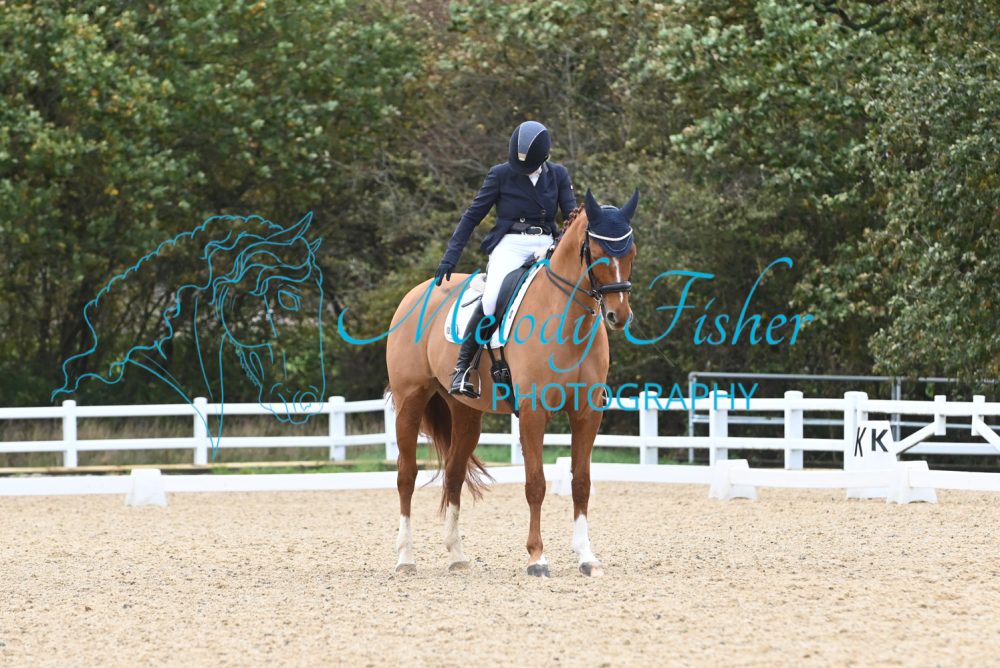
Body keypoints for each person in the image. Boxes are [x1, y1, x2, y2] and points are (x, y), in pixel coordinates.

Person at [435, 120, 577, 397]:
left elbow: (571, 217)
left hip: (547, 243)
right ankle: (463, 368)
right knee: (491, 300)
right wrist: (451, 256)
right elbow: (472, 216)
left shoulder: (558, 174)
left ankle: (590, 373)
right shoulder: (500, 174)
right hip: (510, 244)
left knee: (578, 291)